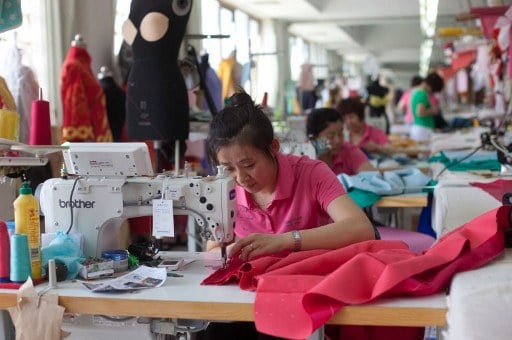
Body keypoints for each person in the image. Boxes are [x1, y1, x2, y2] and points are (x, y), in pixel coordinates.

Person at [200, 89, 374, 339]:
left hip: (301, 292)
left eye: (249, 165)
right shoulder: (225, 188)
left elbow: (360, 228)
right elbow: (213, 249)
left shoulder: (312, 173)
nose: (241, 178)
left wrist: (285, 240)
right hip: (249, 295)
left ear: (274, 147)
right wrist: (233, 250)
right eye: (228, 169)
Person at [306, 107, 375, 175]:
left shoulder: (349, 151)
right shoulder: (303, 160)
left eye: (340, 134)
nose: (337, 141)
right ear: (314, 138)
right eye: (331, 136)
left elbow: (371, 177)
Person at [410, 72, 445, 142]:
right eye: (433, 90)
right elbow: (420, 112)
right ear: (430, 86)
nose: (431, 92)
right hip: (423, 129)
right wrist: (433, 110)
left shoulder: (416, 92)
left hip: (420, 128)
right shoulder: (422, 93)